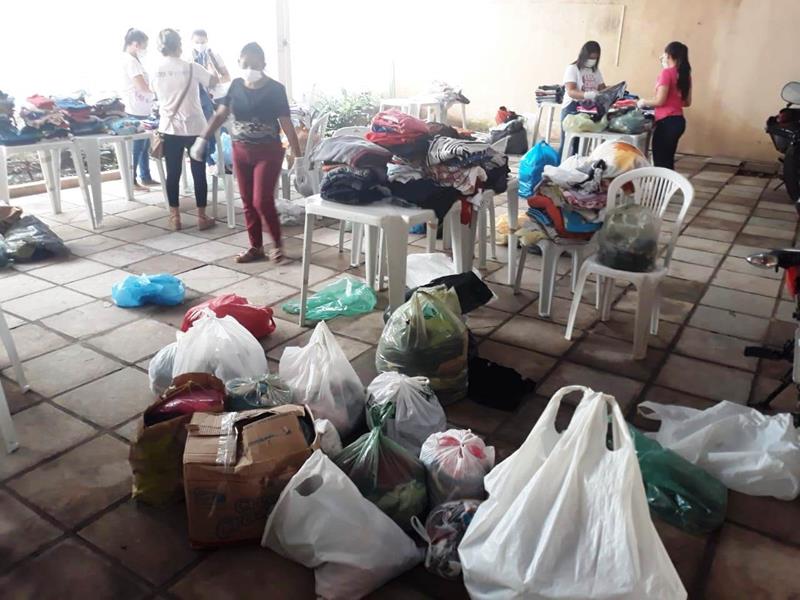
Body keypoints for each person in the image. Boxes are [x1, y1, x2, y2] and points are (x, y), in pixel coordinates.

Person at [191, 42, 301, 263]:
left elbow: (286, 123)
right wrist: (202, 138)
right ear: (239, 63)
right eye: (246, 63)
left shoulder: (275, 89)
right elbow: (220, 115)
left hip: (268, 152)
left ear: (264, 64)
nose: (250, 67)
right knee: (248, 201)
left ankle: (278, 245)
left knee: (262, 200)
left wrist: (298, 155)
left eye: (255, 63)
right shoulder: (236, 86)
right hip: (241, 150)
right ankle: (255, 246)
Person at [151, 28, 219, 231]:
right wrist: (211, 65)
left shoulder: (156, 69)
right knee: (198, 172)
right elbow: (214, 82)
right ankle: (201, 216)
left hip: (169, 127)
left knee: (173, 173)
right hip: (195, 126)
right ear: (179, 45)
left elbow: (154, 92)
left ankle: (175, 217)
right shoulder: (192, 67)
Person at [638, 42, 692, 170]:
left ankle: (660, 189)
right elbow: (687, 102)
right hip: (678, 121)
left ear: (669, 55)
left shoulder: (666, 73)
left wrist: (643, 102)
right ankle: (668, 188)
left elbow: (660, 101)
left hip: (666, 123)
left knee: (661, 161)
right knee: (668, 160)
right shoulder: (686, 75)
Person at [121, 28, 157, 190]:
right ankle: (132, 180)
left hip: (141, 108)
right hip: (134, 109)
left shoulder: (133, 60)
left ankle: (145, 176)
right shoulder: (130, 61)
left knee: (143, 145)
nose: (145, 50)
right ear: (135, 44)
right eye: (144, 46)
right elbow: (141, 86)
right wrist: (158, 90)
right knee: (136, 147)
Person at [560, 40, 607, 161]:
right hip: (572, 109)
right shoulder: (573, 69)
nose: (592, 60)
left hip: (588, 110)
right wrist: (587, 94)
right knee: (568, 144)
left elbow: (602, 89)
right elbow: (571, 91)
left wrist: (617, 89)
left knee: (581, 145)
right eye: (590, 57)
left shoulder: (595, 71)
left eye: (595, 58)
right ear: (584, 56)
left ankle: (577, 169)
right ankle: (562, 169)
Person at [191, 29, 231, 165]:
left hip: (218, 96)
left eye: (202, 42)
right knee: (206, 129)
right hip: (200, 98)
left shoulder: (214, 55)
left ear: (207, 40)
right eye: (197, 42)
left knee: (222, 130)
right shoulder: (189, 58)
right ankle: (210, 162)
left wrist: (213, 76)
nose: (200, 45)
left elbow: (227, 76)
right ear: (192, 41)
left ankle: (222, 160)